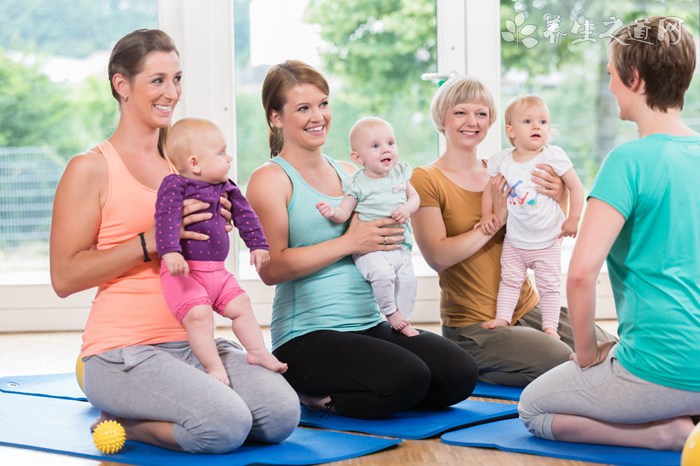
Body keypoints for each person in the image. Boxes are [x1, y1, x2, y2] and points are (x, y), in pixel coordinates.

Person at [49, 29, 299, 454]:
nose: (172, 92)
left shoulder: (189, 164)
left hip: (193, 343)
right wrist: (148, 242)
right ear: (121, 85)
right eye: (158, 80)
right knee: (225, 425)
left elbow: (212, 246)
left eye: (177, 78)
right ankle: (127, 421)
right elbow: (64, 277)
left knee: (281, 415)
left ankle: (191, 403)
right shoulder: (90, 167)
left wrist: (221, 227)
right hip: (122, 352)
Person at [246, 59, 478, 420]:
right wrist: (348, 243)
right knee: (408, 378)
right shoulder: (270, 179)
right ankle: (313, 395)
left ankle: (374, 386)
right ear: (276, 118)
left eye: (323, 104)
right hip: (308, 334)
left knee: (459, 374)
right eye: (303, 108)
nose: (318, 116)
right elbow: (271, 268)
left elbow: (383, 228)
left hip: (368, 323)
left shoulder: (352, 171)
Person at [518, 16, 700, 450]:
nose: (611, 87)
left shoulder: (627, 161)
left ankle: (664, 435)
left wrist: (585, 352)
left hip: (662, 370)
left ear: (634, 79)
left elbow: (581, 274)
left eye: (611, 76)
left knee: (533, 408)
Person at [410, 75, 616, 387]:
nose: (472, 121)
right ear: (442, 117)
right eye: (460, 112)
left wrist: (558, 194)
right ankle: (476, 367)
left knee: (609, 350)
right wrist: (499, 218)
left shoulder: (507, 167)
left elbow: (545, 224)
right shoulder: (425, 178)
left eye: (481, 113)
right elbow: (437, 256)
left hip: (527, 307)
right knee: (565, 361)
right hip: (474, 325)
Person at [156, 117, 287, 386]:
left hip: (217, 272)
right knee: (200, 315)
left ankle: (257, 351)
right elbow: (166, 217)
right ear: (195, 163)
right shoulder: (174, 185)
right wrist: (171, 252)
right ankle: (213, 366)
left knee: (242, 305)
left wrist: (258, 244)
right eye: (220, 152)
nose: (229, 157)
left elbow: (246, 216)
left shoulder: (226, 187)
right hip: (186, 273)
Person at [480, 95, 583, 339]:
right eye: (527, 121)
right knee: (510, 281)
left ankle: (550, 327)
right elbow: (489, 189)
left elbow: (576, 187)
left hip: (547, 241)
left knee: (549, 287)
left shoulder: (553, 156)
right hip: (515, 241)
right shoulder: (502, 161)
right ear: (511, 131)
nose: (537, 126)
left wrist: (573, 219)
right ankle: (503, 317)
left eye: (543, 121)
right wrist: (487, 214)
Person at [315, 116, 419, 337]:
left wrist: (408, 208)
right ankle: (390, 313)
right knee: (382, 275)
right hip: (370, 250)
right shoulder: (357, 183)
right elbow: (344, 212)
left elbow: (414, 197)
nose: (385, 150)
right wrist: (332, 212)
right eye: (375, 146)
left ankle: (405, 318)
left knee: (408, 280)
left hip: (400, 246)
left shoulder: (400, 173)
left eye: (390, 143)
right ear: (357, 157)